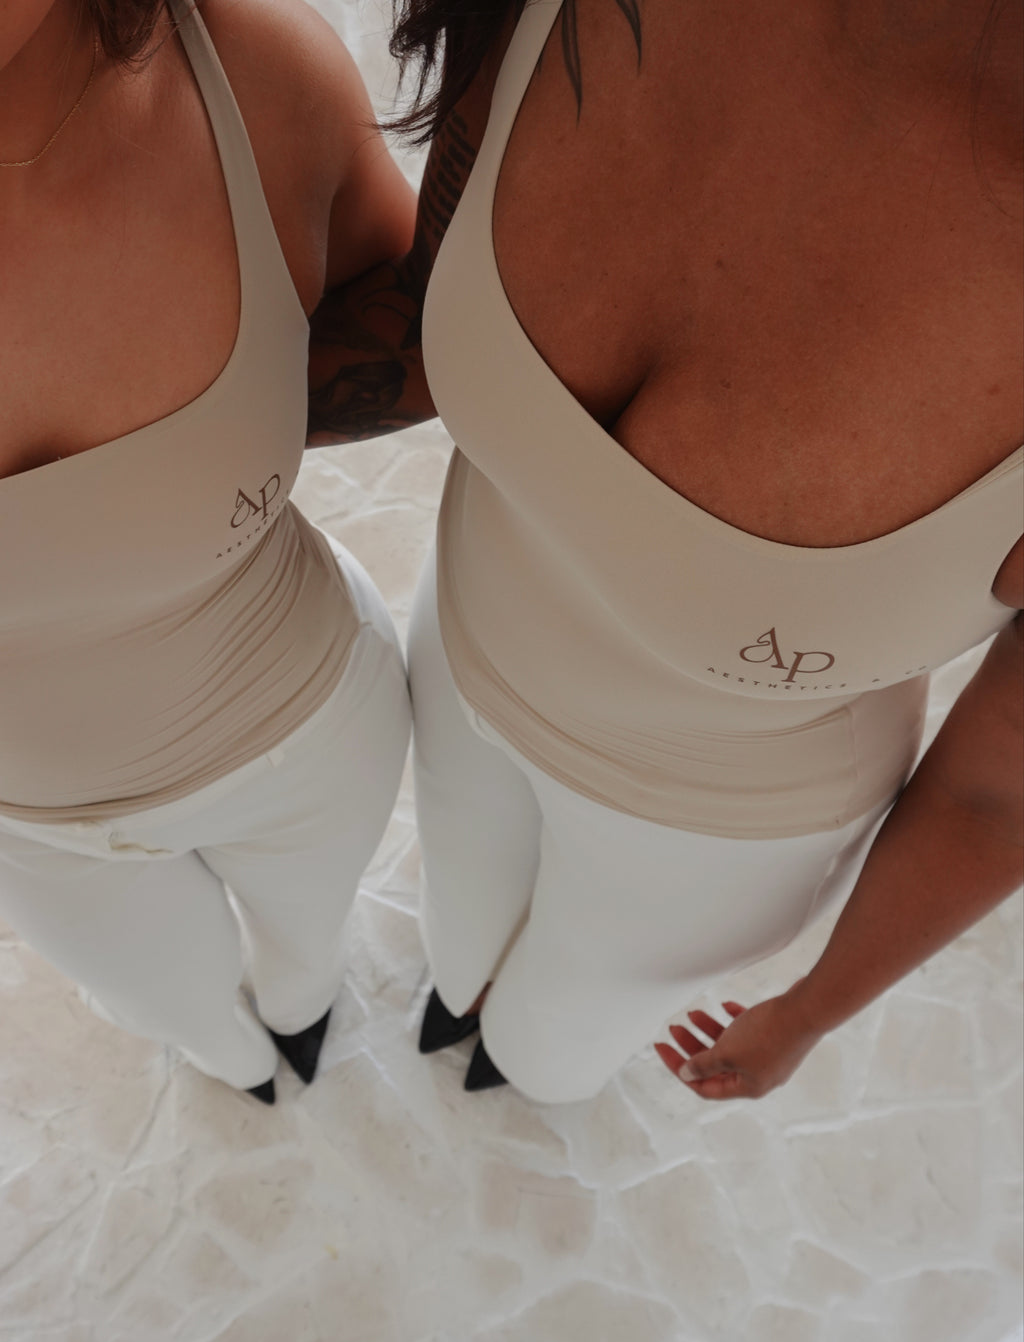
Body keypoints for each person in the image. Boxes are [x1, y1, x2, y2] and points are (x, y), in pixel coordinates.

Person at [307, 0, 1023, 1104]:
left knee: (552, 1053)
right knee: (457, 938)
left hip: (709, 836)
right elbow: (417, 309)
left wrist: (810, 1012)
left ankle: (520, 1070)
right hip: (461, 650)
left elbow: (996, 796)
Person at [0, 0, 416, 1102]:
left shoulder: (253, 71)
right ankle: (238, 1066)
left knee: (309, 959)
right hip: (30, 827)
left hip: (307, 730)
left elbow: (421, 325)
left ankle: (300, 1022)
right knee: (174, 1009)